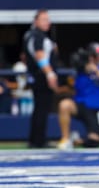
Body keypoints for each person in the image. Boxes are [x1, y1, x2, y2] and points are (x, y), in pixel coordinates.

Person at [57, 42, 99, 150]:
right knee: (64, 105)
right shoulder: (81, 68)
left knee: (94, 141)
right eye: (93, 56)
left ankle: (76, 141)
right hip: (81, 104)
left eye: (98, 56)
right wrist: (83, 67)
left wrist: (96, 70)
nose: (96, 58)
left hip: (96, 107)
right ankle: (65, 138)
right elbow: (72, 82)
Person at [23, 9, 59, 148]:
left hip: (37, 76)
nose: (47, 22)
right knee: (42, 108)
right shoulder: (37, 36)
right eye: (43, 19)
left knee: (40, 108)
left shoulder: (32, 35)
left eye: (48, 19)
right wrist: (49, 73)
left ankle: (35, 139)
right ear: (36, 21)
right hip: (41, 77)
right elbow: (39, 55)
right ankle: (38, 140)